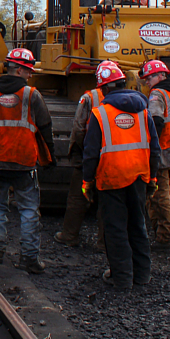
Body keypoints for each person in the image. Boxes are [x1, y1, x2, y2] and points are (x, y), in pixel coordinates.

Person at [0, 48, 55, 274]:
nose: (30, 75)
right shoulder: (32, 95)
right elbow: (46, 128)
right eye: (28, 71)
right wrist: (51, 158)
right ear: (18, 69)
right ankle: (29, 259)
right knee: (28, 210)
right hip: (23, 162)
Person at [81, 60, 160, 289]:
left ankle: (122, 278)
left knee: (115, 229)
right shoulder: (143, 111)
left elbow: (90, 153)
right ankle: (142, 276)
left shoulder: (100, 114)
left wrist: (87, 182)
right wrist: (152, 178)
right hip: (139, 177)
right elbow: (154, 149)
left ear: (104, 89)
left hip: (111, 178)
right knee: (138, 225)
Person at [55, 80, 105, 249]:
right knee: (108, 201)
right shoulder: (130, 99)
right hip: (112, 160)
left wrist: (77, 151)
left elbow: (78, 128)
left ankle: (69, 235)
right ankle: (104, 243)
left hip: (89, 157)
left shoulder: (90, 98)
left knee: (79, 195)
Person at [139, 59, 170, 249]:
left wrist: (149, 148)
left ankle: (165, 236)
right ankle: (159, 230)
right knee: (158, 191)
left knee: (159, 192)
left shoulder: (157, 94)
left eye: (149, 78)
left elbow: (156, 122)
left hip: (161, 148)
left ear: (160, 76)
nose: (147, 83)